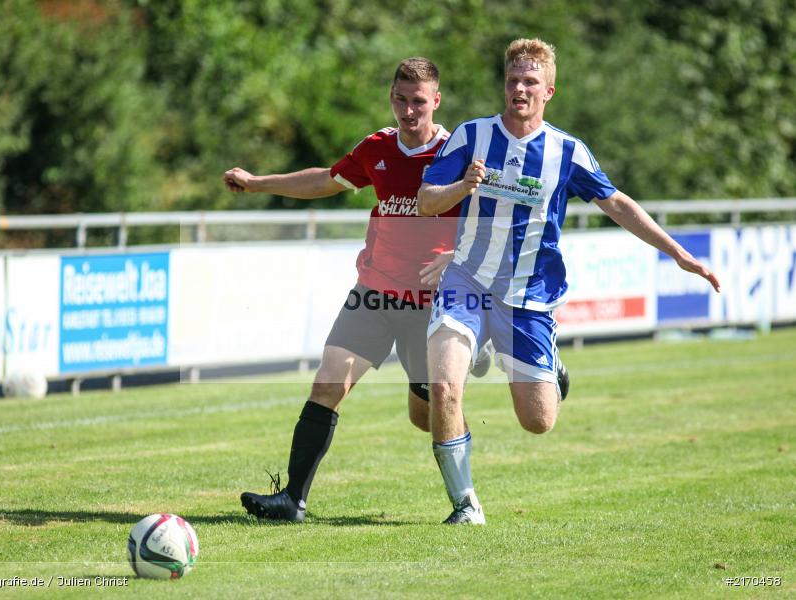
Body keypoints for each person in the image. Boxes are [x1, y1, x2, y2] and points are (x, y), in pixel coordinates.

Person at [417, 38, 721, 525]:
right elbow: (426, 200)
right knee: (444, 386)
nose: (519, 88)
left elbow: (617, 203)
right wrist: (461, 187)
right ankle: (464, 504)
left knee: (538, 421)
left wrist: (679, 253)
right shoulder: (472, 137)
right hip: (466, 281)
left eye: (530, 82)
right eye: (513, 79)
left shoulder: (567, 151)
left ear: (548, 91)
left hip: (528, 296)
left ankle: (549, 367)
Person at [224, 58, 492, 522]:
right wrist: (257, 183)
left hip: (431, 306)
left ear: (437, 102)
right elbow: (326, 180)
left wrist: (456, 259)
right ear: (391, 98)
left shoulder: (459, 153)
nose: (409, 112)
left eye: (419, 102)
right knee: (329, 380)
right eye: (401, 100)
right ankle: (293, 500)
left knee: (426, 412)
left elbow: (493, 222)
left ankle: (465, 497)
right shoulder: (377, 148)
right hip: (375, 292)